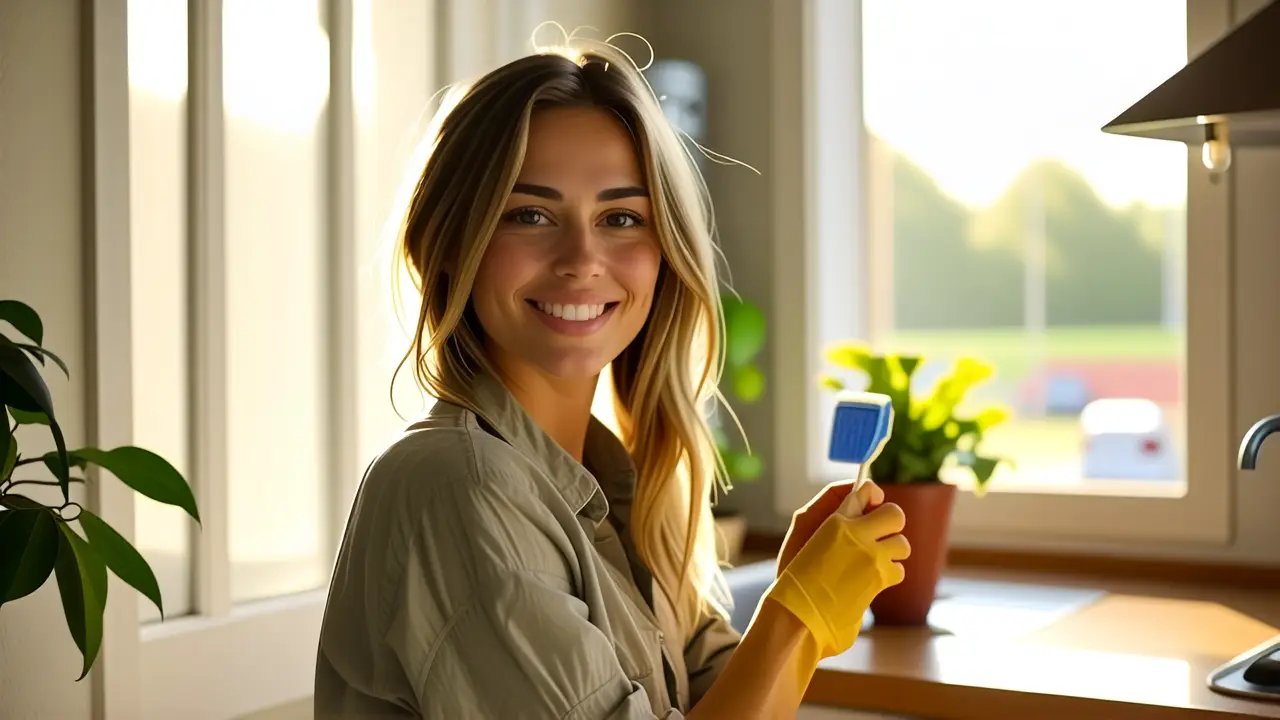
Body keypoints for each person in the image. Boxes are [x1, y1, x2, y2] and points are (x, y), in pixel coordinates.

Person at [314, 39, 911, 719]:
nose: (582, 258)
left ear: (665, 256)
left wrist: (795, 597)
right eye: (530, 215)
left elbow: (702, 696)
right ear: (447, 245)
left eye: (621, 218)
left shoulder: (613, 485)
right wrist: (795, 620)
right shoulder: (460, 486)